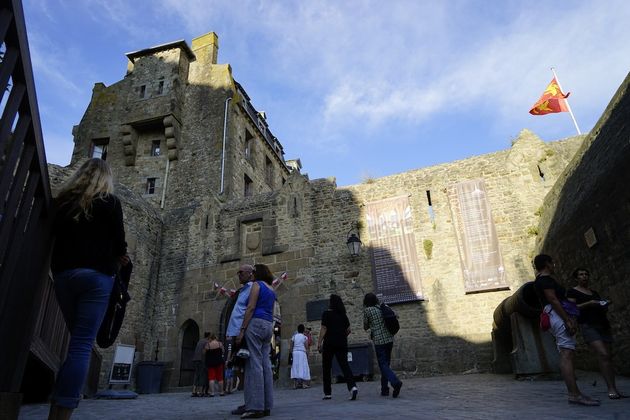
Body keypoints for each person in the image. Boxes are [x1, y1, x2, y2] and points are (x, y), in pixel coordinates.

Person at [48, 158, 128, 420]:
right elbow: (119, 244)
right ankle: (63, 411)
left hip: (63, 276)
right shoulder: (110, 202)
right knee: (81, 346)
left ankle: (57, 404)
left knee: (76, 342)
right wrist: (119, 258)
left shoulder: (62, 202)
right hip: (96, 277)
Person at [532, 254, 599, 406]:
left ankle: (575, 393)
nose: (554, 265)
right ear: (547, 264)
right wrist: (567, 319)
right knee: (566, 354)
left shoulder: (541, 280)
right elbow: (553, 300)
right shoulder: (545, 280)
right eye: (552, 263)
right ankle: (574, 394)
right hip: (557, 315)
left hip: (554, 315)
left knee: (566, 353)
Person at [567, 268, 626, 400]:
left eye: (586, 274)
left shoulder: (594, 292)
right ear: (576, 278)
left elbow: (600, 308)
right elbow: (571, 308)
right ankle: (611, 389)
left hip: (603, 324)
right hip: (588, 325)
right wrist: (590, 303)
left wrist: (604, 305)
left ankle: (613, 388)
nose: (584, 276)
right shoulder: (572, 291)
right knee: (603, 354)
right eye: (581, 275)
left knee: (608, 357)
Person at [237, 264, 276, 418]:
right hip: (268, 325)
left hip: (255, 323)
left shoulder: (256, 285)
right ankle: (267, 405)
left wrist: (242, 329)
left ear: (257, 273)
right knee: (266, 365)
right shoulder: (271, 289)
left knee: (254, 364)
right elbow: (272, 311)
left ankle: (255, 406)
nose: (251, 274)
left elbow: (251, 307)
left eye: (253, 272)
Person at [318, 294, 358, 401]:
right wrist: (341, 336)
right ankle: (352, 387)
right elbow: (349, 329)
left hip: (329, 343)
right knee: (345, 365)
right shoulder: (343, 315)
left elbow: (324, 329)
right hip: (341, 342)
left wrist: (319, 343)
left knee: (326, 367)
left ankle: (327, 393)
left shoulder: (326, 314)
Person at [363, 293, 403, 398]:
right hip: (389, 339)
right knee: (386, 365)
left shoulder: (367, 311)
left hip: (379, 341)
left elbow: (365, 326)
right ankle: (384, 389)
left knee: (383, 365)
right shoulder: (382, 307)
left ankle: (395, 382)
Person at [227, 265, 255, 416]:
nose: (238, 275)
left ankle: (251, 402)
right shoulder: (244, 290)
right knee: (240, 368)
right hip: (237, 332)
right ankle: (248, 401)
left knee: (246, 368)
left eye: (241, 272)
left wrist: (242, 331)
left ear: (250, 274)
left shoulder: (252, 288)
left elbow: (250, 309)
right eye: (238, 272)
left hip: (242, 334)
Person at [289, 324, 311, 389]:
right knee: (303, 367)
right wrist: (307, 354)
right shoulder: (304, 337)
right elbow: (306, 346)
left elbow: (291, 346)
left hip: (295, 353)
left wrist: (291, 353)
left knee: (295, 367)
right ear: (303, 330)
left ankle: (295, 384)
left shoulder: (294, 337)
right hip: (302, 353)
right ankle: (304, 384)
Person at [191, 332, 210, 397]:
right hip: (201, 360)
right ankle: (200, 391)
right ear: (208, 336)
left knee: (196, 374)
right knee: (202, 375)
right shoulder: (206, 342)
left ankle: (194, 391)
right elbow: (205, 350)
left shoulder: (200, 341)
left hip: (195, 359)